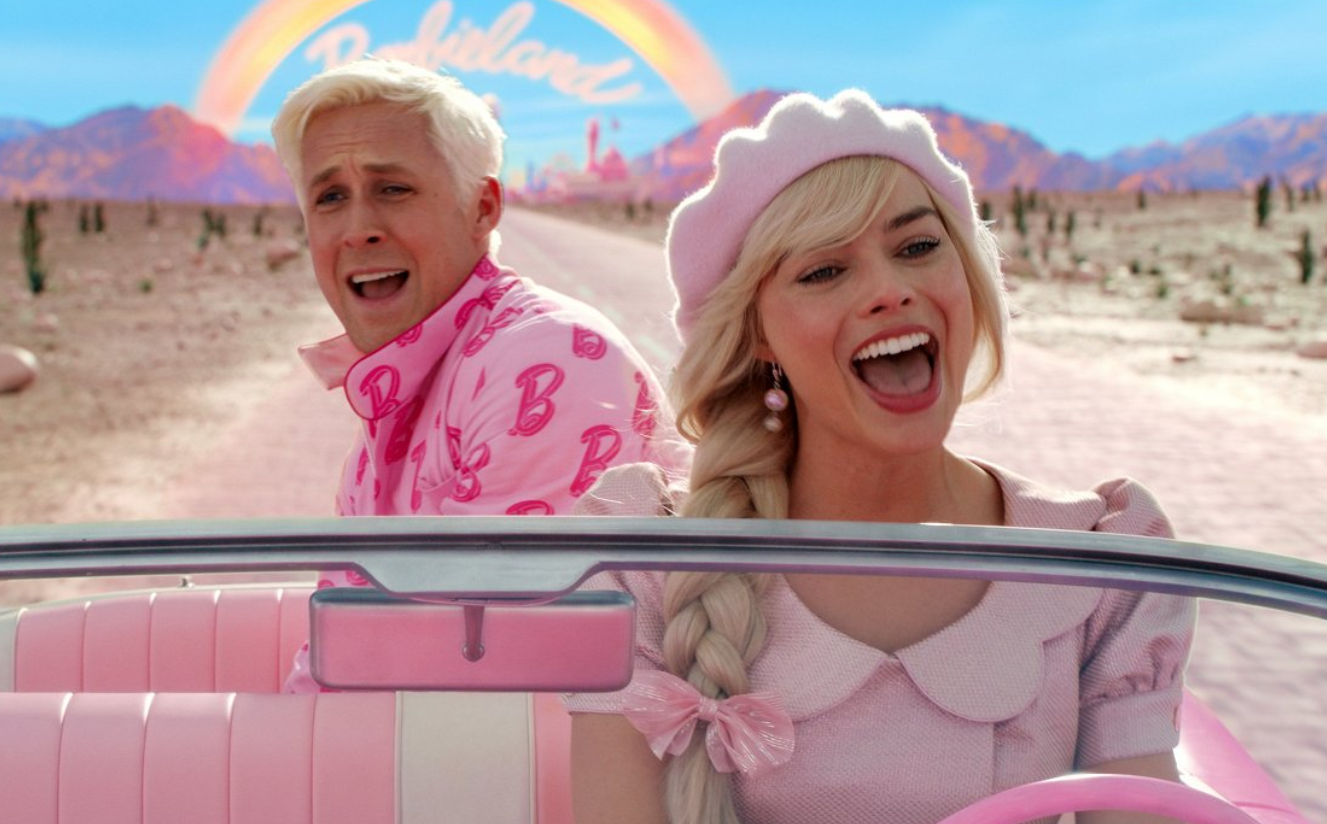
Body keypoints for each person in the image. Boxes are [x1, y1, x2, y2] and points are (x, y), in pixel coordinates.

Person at [563, 90, 1195, 824]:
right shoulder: (645, 561)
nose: (890, 292)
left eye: (917, 247)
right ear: (759, 334)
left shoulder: (1102, 560)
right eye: (823, 271)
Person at [269, 57, 684, 688]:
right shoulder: (410, 379)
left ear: (482, 207)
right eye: (330, 198)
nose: (358, 230)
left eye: (393, 189)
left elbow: (471, 671)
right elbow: (348, 639)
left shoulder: (544, 360)